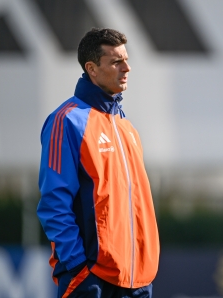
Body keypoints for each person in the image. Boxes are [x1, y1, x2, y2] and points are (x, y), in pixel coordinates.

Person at [37, 28, 160, 298]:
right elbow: (54, 203)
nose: (127, 68)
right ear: (92, 68)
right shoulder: (66, 120)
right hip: (91, 278)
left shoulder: (127, 127)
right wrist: (78, 266)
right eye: (116, 61)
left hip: (138, 281)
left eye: (126, 60)